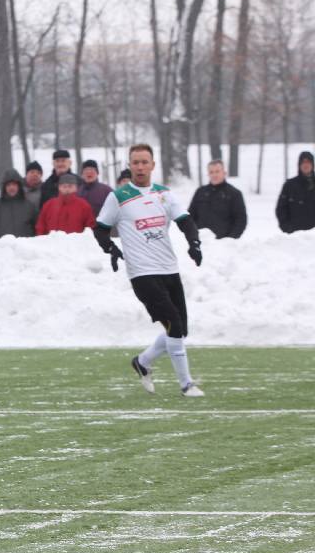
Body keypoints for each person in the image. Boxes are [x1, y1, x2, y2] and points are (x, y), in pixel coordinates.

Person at [94, 143, 205, 397]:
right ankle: (186, 384)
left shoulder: (164, 194)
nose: (140, 167)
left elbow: (186, 221)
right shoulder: (119, 197)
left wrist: (194, 243)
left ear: (153, 165)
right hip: (142, 273)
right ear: (130, 165)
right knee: (174, 324)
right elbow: (100, 227)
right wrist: (110, 248)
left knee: (179, 330)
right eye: (136, 162)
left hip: (169, 269)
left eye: (145, 162)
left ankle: (142, 362)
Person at [187, 160, 247, 239]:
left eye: (217, 171)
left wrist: (230, 239)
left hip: (224, 244)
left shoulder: (234, 193)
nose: (214, 175)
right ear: (208, 174)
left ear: (224, 173)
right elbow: (190, 216)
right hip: (202, 242)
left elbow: (241, 220)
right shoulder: (200, 192)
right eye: (211, 172)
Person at [0, 168, 39, 240]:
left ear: (19, 186)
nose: (11, 187)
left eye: (14, 184)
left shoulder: (29, 206)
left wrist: (31, 242)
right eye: (8, 185)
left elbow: (37, 227)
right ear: (4, 187)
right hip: (2, 249)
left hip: (25, 249)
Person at [275, 151, 315, 234]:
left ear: (312, 165)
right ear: (299, 165)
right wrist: (287, 228)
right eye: (303, 162)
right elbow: (281, 209)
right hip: (294, 237)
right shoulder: (289, 185)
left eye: (308, 162)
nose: (306, 165)